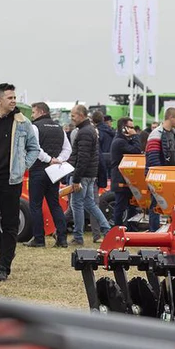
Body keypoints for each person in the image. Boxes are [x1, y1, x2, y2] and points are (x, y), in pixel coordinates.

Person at [0, 83, 40, 281]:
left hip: (11, 181)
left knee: (10, 224)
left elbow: (34, 149)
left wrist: (22, 167)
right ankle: (5, 250)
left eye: (14, 97)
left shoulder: (23, 122)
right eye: (10, 98)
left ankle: (3, 267)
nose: (14, 101)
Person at [27, 102, 72, 248]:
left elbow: (35, 148)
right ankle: (62, 238)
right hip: (55, 172)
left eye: (33, 112)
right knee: (55, 204)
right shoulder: (60, 128)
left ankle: (39, 239)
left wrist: (48, 159)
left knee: (35, 205)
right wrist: (58, 160)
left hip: (39, 170)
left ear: (40, 112)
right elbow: (68, 149)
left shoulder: (35, 127)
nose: (32, 115)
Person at [69, 104, 111, 245]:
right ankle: (106, 229)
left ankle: (78, 237)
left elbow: (83, 158)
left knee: (77, 205)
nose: (71, 118)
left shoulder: (84, 132)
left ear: (81, 115)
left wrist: (76, 178)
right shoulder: (89, 130)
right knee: (90, 203)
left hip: (83, 175)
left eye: (73, 115)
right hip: (90, 174)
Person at [144, 108, 175, 229]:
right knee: (155, 204)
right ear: (171, 117)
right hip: (159, 175)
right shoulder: (156, 134)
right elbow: (153, 158)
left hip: (170, 176)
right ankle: (154, 231)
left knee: (171, 204)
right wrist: (161, 175)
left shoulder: (174, 134)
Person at [110, 117, 141, 228]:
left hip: (126, 178)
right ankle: (117, 228)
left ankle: (131, 228)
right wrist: (135, 136)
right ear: (124, 128)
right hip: (120, 178)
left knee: (131, 205)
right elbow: (136, 151)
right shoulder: (120, 142)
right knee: (120, 205)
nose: (133, 130)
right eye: (131, 127)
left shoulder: (124, 140)